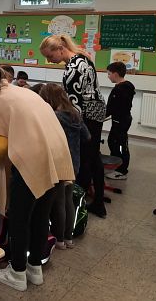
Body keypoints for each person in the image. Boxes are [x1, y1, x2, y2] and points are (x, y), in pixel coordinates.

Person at [0, 65, 73, 292]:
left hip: (33, 160)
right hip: (57, 157)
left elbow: (1, 145)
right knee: (41, 216)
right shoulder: (25, 91)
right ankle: (34, 268)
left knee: (19, 218)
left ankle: (17, 272)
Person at [40, 35, 107, 218]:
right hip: (96, 110)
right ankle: (98, 200)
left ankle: (81, 202)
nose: (49, 61)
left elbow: (74, 106)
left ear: (60, 49)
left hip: (88, 114)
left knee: (86, 159)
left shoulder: (73, 67)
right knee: (94, 157)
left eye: (50, 56)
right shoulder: (82, 58)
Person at [39, 83, 90, 250]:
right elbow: (87, 136)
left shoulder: (54, 116)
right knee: (68, 200)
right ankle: (69, 238)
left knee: (58, 202)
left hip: (59, 162)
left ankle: (59, 239)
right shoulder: (75, 114)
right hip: (74, 162)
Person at [105, 61, 136, 180]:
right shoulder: (128, 85)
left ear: (115, 74)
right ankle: (117, 166)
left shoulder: (119, 89)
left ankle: (121, 170)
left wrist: (101, 116)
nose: (108, 76)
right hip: (124, 119)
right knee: (115, 142)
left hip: (120, 120)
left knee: (119, 144)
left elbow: (112, 107)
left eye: (109, 74)